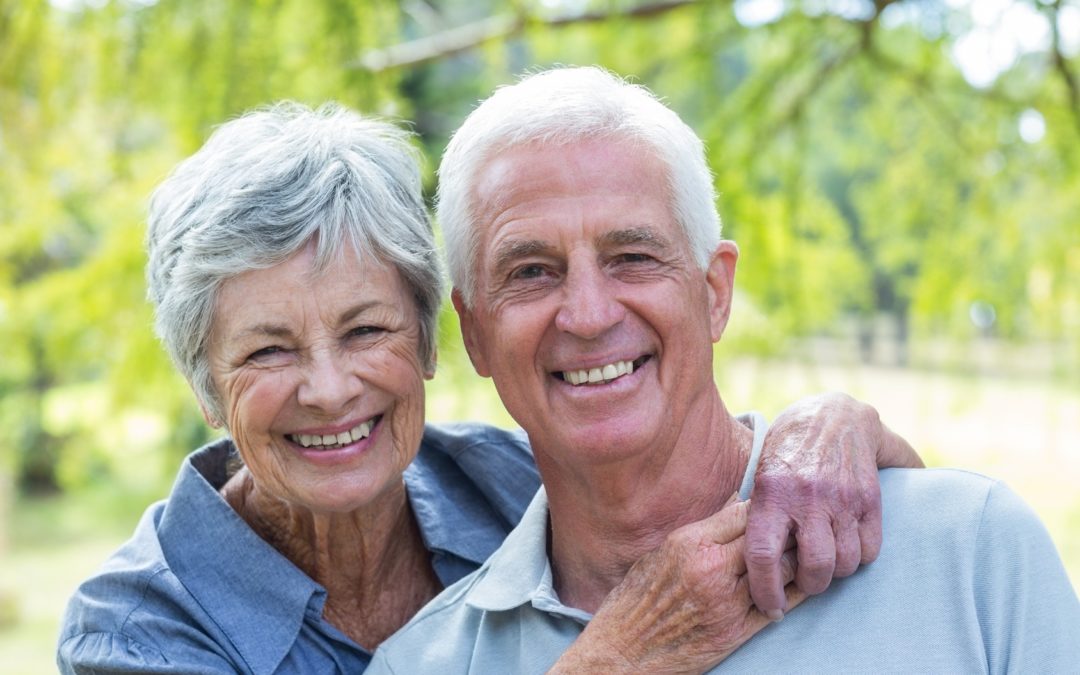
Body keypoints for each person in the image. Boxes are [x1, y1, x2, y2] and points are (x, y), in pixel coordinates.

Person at [57, 101, 920, 675]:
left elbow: (728, 464)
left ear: (437, 339)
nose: (328, 388)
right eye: (270, 351)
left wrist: (827, 426)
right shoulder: (136, 631)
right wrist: (612, 660)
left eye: (365, 330)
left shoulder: (511, 479)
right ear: (205, 386)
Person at [368, 66, 1080, 673]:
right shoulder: (423, 662)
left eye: (633, 257)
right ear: (476, 332)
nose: (586, 314)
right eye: (530, 270)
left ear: (715, 293)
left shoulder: (971, 550)